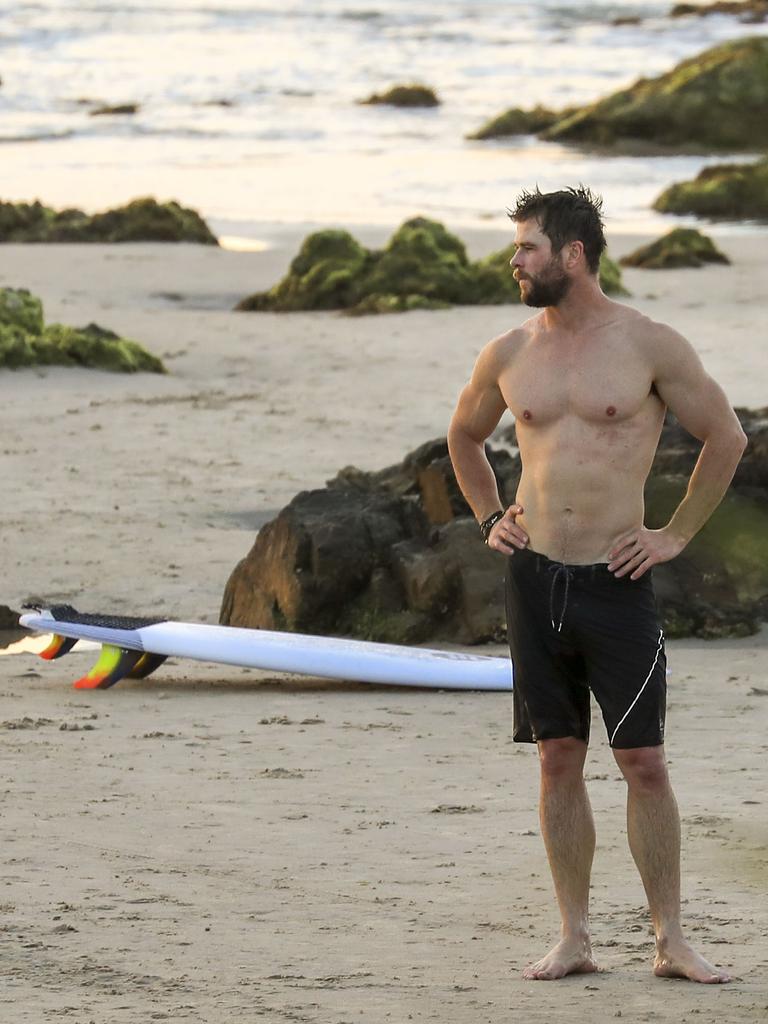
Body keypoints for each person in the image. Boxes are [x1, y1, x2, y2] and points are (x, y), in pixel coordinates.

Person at [447, 186, 746, 984]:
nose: (515, 260)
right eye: (516, 247)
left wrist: (674, 533)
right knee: (557, 758)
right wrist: (487, 517)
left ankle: (670, 939)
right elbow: (465, 435)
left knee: (643, 761)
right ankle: (574, 935)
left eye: (528, 247)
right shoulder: (509, 352)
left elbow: (727, 436)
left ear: (572, 255)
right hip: (535, 577)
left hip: (616, 583)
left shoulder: (649, 345)